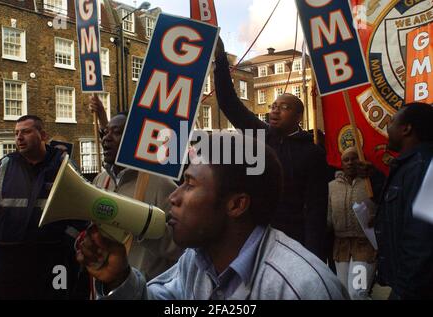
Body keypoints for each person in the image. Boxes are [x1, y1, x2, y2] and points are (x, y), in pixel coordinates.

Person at [76, 133, 348, 300]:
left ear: (236, 204)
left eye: (190, 184)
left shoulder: (301, 288)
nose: (174, 197)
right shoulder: (194, 263)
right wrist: (120, 280)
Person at [213, 38, 328, 260]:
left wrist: (313, 256)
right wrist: (220, 58)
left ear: (298, 116)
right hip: (255, 237)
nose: (275, 111)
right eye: (273, 107)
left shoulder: (312, 153)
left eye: (284, 108)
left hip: (293, 241)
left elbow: (316, 210)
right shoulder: (260, 135)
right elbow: (229, 103)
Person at [0, 115, 89, 299]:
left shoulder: (65, 167)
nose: (19, 137)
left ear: (43, 135)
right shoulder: (3, 166)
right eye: (16, 133)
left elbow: (81, 215)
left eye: (26, 132)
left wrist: (64, 244)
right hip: (9, 262)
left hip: (53, 261)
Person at [88, 97, 182, 281]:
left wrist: (140, 222)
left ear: (135, 138)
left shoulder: (162, 184)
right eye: (105, 132)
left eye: (116, 132)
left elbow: (178, 246)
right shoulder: (101, 180)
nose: (106, 138)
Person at [375, 102, 433, 300]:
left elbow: (422, 238)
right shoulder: (407, 166)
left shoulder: (426, 167)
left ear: (406, 128)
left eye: (391, 121)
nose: (387, 127)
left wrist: (403, 292)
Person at [327, 147, 378, 300]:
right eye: (346, 160)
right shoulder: (331, 186)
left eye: (354, 158)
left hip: (364, 246)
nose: (350, 163)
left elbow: (384, 207)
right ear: (341, 163)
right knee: (343, 294)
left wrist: (377, 217)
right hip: (341, 247)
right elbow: (328, 215)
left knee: (357, 292)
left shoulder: (370, 183)